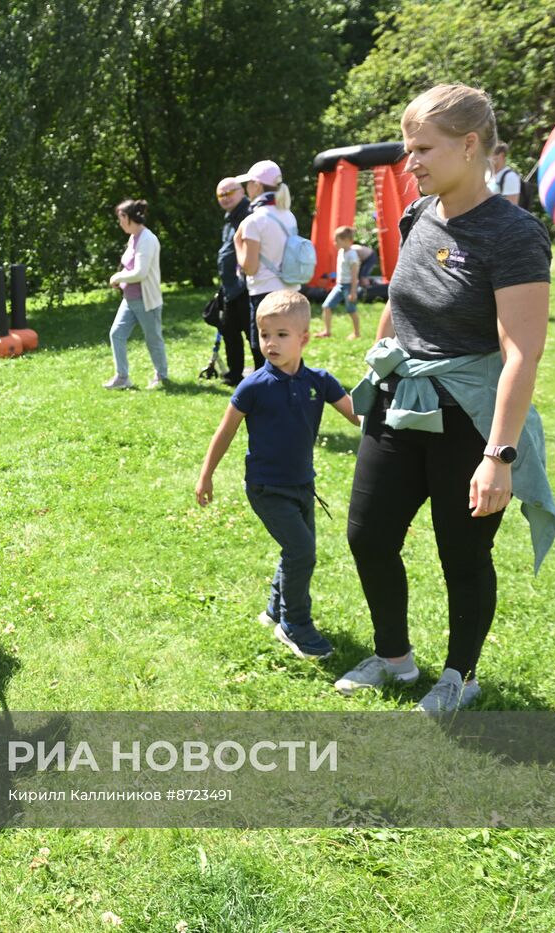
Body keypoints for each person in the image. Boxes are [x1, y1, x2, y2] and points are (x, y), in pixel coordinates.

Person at [339, 84, 555, 713]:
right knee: (368, 535)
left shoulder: (515, 235)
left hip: (468, 418)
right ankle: (395, 660)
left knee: (460, 551)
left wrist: (499, 455)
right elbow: (400, 304)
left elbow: (522, 353)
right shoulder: (418, 215)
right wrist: (376, 370)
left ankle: (460, 675)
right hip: (399, 400)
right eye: (409, 150)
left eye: (421, 149)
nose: (410, 164)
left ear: (469, 146)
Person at [195, 291, 360, 661]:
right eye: (264, 334)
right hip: (266, 487)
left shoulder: (320, 381)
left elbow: (355, 415)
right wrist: (206, 475)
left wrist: (389, 416)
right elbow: (225, 431)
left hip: (303, 484)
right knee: (302, 551)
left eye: (282, 335)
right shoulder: (253, 386)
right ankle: (294, 624)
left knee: (296, 550)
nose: (271, 343)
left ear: (303, 338)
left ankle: (274, 610)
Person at [233, 160, 301, 359]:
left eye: (248, 183)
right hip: (290, 290)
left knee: (265, 353)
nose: (247, 189)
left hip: (265, 293)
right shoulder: (288, 215)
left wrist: (237, 243)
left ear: (257, 185)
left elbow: (250, 268)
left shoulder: (253, 221)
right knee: (290, 350)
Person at [104, 198, 168, 389]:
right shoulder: (133, 237)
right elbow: (130, 266)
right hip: (129, 299)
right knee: (116, 334)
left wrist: (118, 277)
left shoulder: (147, 239)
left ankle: (162, 377)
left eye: (120, 218)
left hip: (146, 300)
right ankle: (122, 377)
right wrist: (122, 280)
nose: (119, 223)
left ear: (128, 217)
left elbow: (140, 272)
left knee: (153, 339)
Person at [215, 177, 261, 384]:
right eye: (220, 195)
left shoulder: (250, 215)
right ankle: (235, 374)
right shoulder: (229, 218)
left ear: (241, 191)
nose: (225, 198)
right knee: (229, 331)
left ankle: (262, 372)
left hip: (246, 286)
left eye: (229, 192)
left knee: (253, 334)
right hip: (229, 288)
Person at [319, 226, 362, 339]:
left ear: (347, 240)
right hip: (340, 285)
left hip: (349, 286)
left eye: (336, 240)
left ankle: (356, 333)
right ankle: (327, 331)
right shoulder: (341, 252)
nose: (334, 243)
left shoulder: (352, 255)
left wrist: (353, 292)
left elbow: (354, 275)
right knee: (326, 306)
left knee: (351, 310)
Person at [486, 141, 521, 206]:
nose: (488, 158)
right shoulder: (487, 174)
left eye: (491, 154)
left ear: (501, 155)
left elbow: (511, 209)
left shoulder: (510, 177)